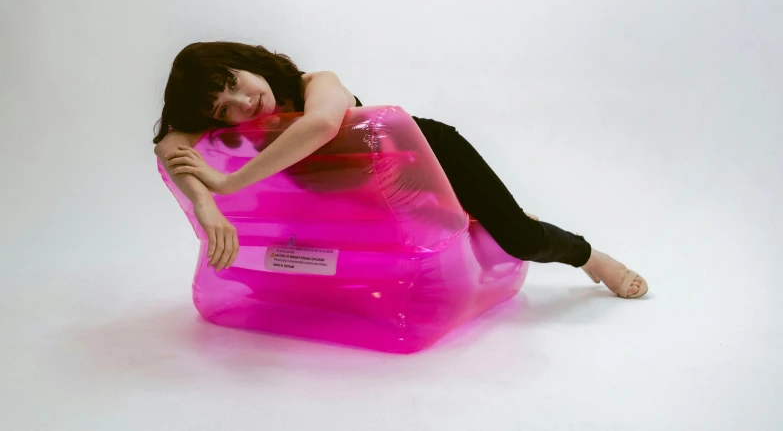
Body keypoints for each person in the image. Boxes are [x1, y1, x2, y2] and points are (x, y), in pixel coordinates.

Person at [153, 41, 648, 299]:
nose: (242, 101)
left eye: (233, 82)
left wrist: (227, 182)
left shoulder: (315, 84)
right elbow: (169, 144)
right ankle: (488, 217)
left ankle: (589, 257)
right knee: (270, 276)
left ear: (245, 62)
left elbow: (323, 124)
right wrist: (205, 204)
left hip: (429, 159)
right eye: (223, 109)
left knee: (516, 238)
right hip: (371, 200)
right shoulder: (245, 130)